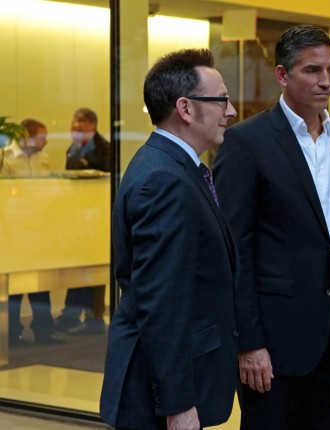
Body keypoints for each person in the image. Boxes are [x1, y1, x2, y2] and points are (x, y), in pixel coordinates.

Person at [213, 24, 330, 430]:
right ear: (282, 75)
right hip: (274, 342)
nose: (326, 81)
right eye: (312, 70)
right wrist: (248, 342)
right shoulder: (246, 142)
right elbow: (234, 252)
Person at [99, 48, 239, 430]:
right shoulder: (164, 180)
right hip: (157, 397)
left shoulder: (173, 167)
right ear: (186, 108)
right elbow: (162, 302)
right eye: (221, 100)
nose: (230, 111)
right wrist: (178, 405)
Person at [3, 119, 65, 346]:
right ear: (26, 137)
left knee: (41, 281)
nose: (45, 142)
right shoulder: (6, 158)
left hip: (39, 226)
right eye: (41, 138)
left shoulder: (43, 159)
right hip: (14, 227)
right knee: (15, 284)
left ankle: (43, 330)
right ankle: (12, 332)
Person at [55, 107, 111, 336]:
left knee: (93, 268)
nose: (74, 131)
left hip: (95, 217)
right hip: (77, 217)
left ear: (91, 125)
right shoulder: (73, 148)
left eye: (79, 127)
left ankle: (91, 316)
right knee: (78, 266)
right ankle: (72, 314)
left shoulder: (104, 150)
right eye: (73, 127)